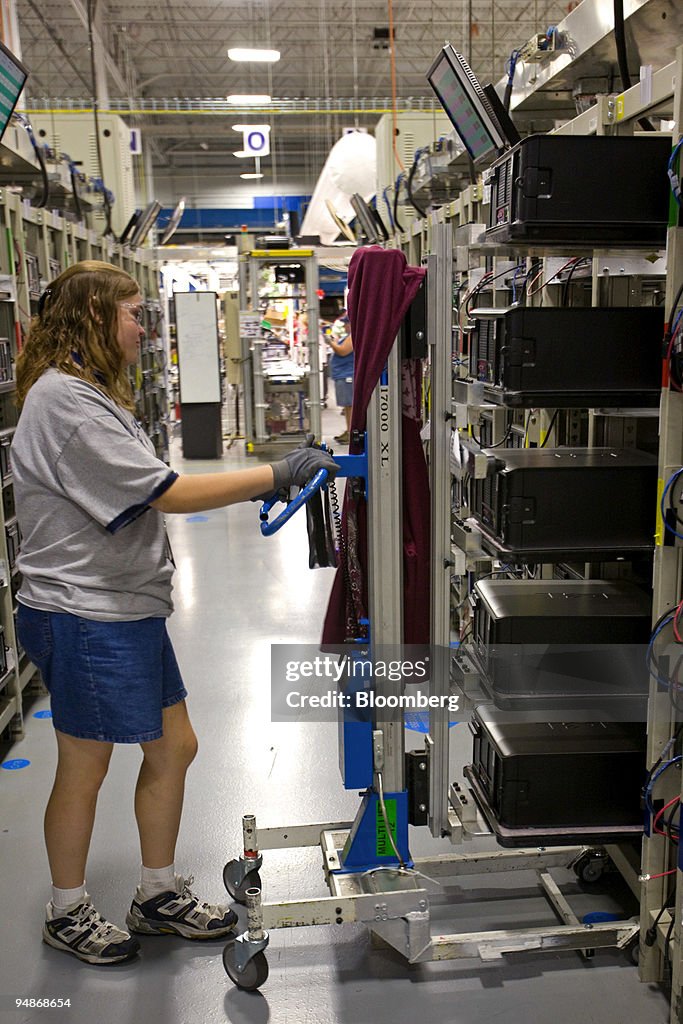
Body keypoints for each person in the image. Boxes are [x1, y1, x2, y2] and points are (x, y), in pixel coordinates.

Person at [11, 260, 338, 966]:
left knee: (174, 745)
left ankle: (155, 893)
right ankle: (66, 909)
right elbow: (167, 491)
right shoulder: (64, 402)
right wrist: (276, 473)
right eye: (133, 315)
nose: (141, 329)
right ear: (95, 318)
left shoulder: (89, 393)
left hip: (121, 604)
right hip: (84, 610)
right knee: (84, 764)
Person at [327, 314, 354, 445]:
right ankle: (349, 431)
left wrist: (330, 342)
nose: (344, 326)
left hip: (348, 374)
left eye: (346, 324)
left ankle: (351, 432)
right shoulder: (347, 337)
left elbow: (342, 351)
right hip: (343, 374)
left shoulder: (354, 336)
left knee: (350, 406)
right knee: (348, 406)